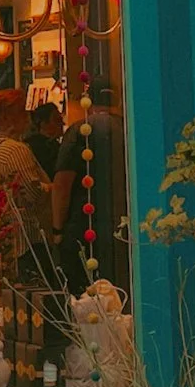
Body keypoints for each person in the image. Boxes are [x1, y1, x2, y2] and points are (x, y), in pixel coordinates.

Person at [52, 85, 127, 292]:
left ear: (89, 102)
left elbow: (62, 184)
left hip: (83, 224)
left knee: (83, 297)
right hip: (123, 224)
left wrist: (57, 230)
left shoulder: (80, 131)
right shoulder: (128, 130)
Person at [0, 89, 52, 275]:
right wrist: (52, 188)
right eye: (22, 112)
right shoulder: (16, 150)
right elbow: (33, 193)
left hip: (10, 241)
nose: (27, 118)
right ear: (7, 117)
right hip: (28, 240)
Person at [26, 102, 64, 180]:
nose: (62, 123)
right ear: (43, 124)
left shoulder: (56, 145)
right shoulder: (34, 146)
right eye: (57, 120)